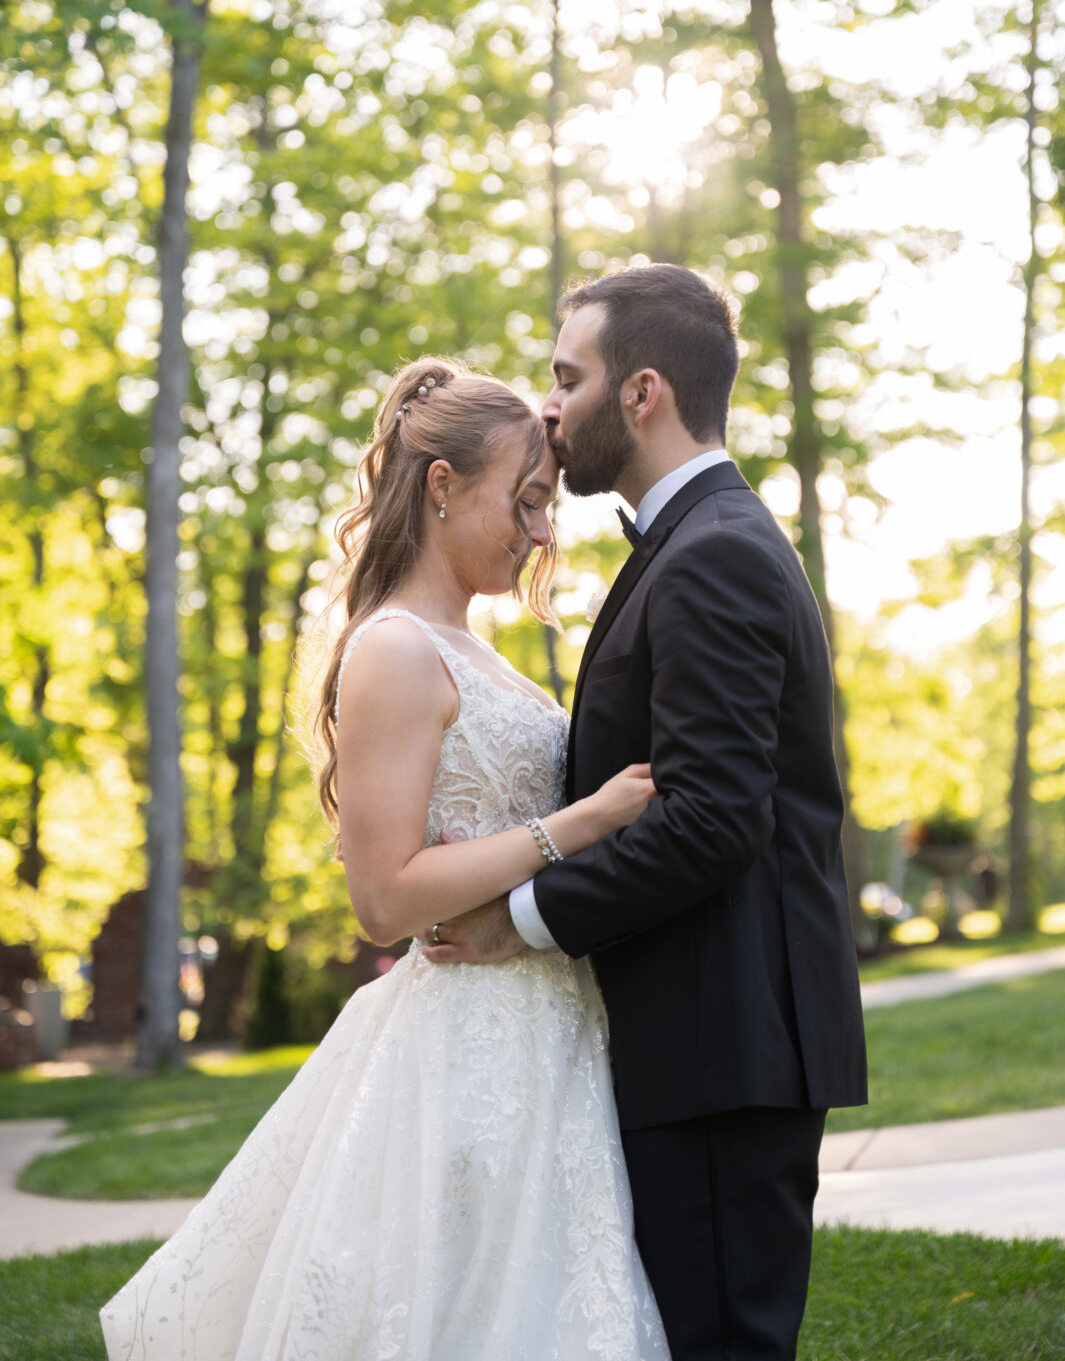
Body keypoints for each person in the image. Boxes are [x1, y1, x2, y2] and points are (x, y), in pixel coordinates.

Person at [100, 357, 670, 1361]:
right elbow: (383, 895)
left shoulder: (478, 646)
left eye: (547, 507)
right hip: (469, 1037)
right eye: (525, 502)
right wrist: (577, 824)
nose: (540, 531)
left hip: (552, 1023)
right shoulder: (395, 649)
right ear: (442, 486)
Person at [424, 266, 869, 1361]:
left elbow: (715, 819)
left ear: (642, 393)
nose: (547, 408)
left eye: (566, 378)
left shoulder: (711, 554)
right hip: (705, 1035)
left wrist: (516, 916)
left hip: (722, 1040)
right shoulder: (694, 541)